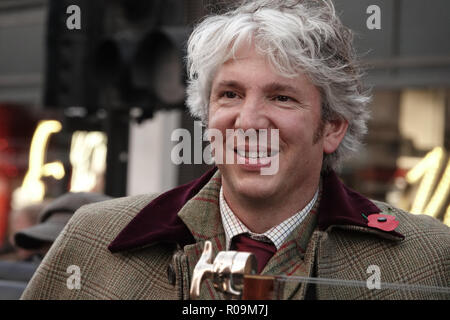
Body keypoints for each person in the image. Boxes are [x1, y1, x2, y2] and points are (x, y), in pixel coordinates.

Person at [22, 0, 449, 300]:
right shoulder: (93, 241)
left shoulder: (427, 261)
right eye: (229, 94)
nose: (248, 121)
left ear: (332, 128)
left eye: (281, 97)